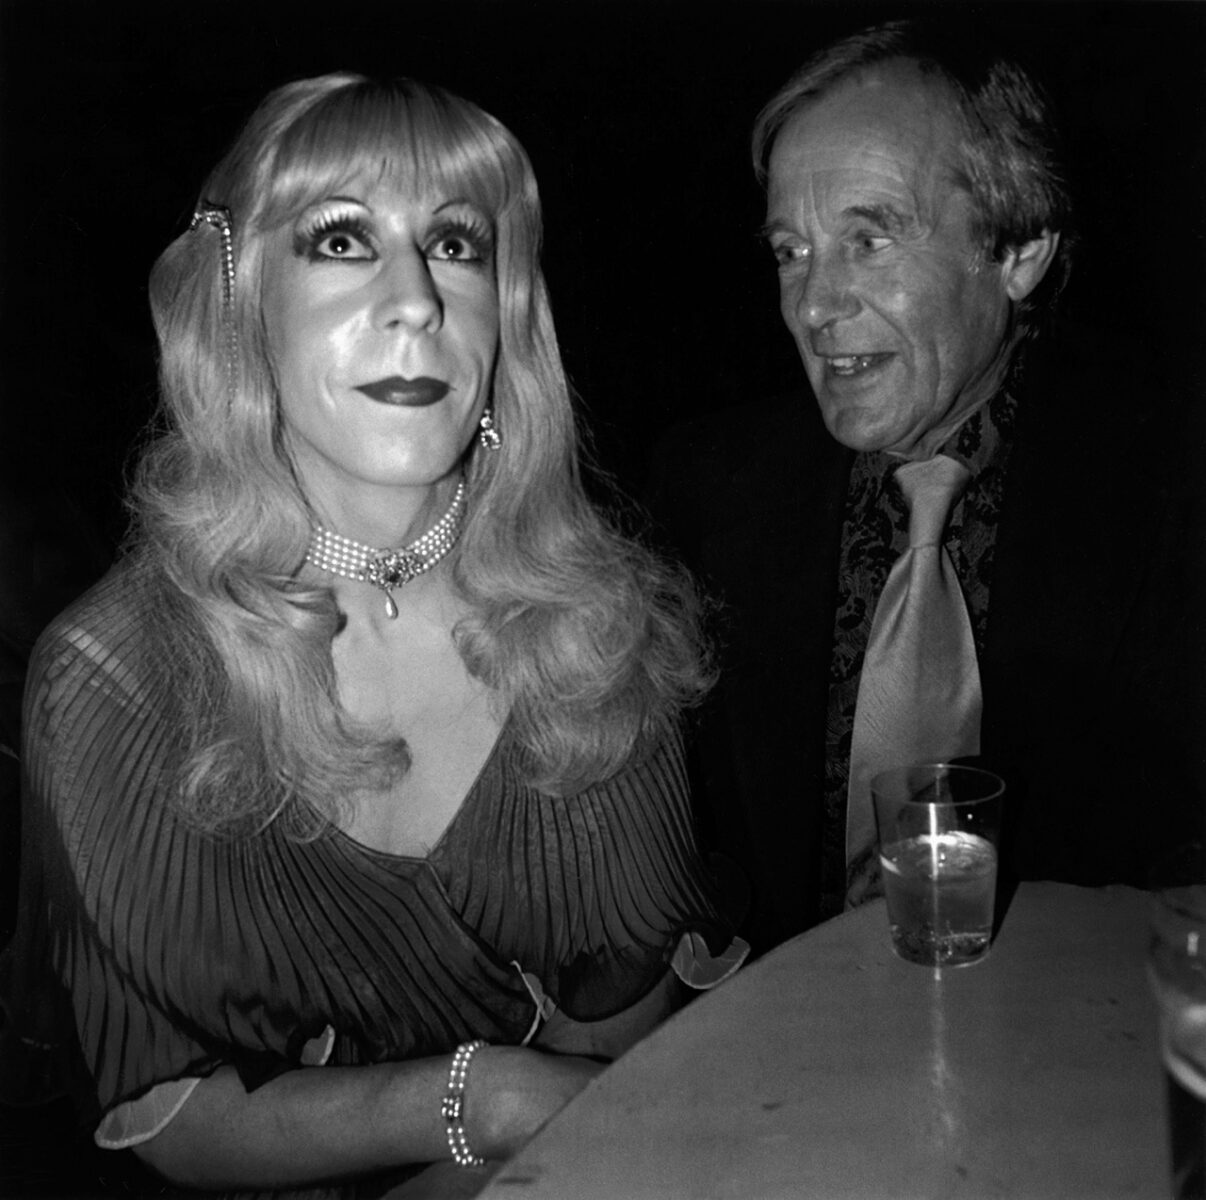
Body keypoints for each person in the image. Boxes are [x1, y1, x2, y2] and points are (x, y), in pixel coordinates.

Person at [0, 73, 745, 1197]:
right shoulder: (113, 681)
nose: (417, 302)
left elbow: (622, 1037)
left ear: (508, 318)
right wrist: (472, 1099)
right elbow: (171, 1111)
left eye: (455, 244)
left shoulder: (596, 625)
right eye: (341, 241)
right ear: (243, 309)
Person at [650, 18, 1204, 954]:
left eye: (869, 240)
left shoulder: (1169, 490)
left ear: (1018, 252)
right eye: (792, 250)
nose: (816, 305)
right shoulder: (703, 493)